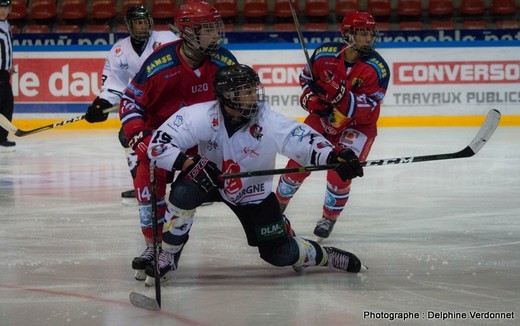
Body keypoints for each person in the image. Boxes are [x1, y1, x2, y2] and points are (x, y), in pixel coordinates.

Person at [145, 64, 365, 285]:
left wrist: (334, 156)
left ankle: (323, 255)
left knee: (279, 254)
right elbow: (157, 146)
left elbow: (300, 139)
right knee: (184, 191)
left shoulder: (267, 121)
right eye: (247, 91)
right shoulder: (203, 115)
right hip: (208, 181)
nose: (254, 96)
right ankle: (169, 254)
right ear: (227, 95)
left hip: (251, 193)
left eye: (254, 89)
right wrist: (188, 164)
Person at [120, 0, 238, 281]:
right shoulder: (159, 63)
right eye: (208, 29)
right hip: (160, 136)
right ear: (188, 33)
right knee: (147, 182)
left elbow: (239, 103)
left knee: (187, 193)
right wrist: (139, 134)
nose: (216, 35)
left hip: (201, 141)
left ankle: (168, 251)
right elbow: (129, 102)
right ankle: (152, 245)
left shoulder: (224, 60)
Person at [275, 12, 390, 240]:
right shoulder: (323, 54)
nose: (368, 39)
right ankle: (277, 206)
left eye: (370, 34)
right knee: (297, 163)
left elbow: (363, 108)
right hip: (322, 120)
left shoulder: (378, 68)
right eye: (362, 34)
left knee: (341, 172)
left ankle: (329, 218)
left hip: (358, 127)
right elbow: (306, 80)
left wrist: (337, 93)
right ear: (347, 34)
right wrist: (311, 101)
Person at [84, 5, 179, 204]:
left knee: (185, 138)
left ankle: (194, 184)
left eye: (144, 22)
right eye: (137, 23)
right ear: (129, 26)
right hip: (145, 104)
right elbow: (113, 85)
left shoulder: (168, 39)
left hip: (174, 100)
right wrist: (102, 103)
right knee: (126, 136)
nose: (142, 27)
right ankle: (143, 185)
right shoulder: (118, 51)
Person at [0, 0, 15, 149]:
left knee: (7, 105)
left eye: (5, 7)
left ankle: (1, 137)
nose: (3, 10)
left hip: (4, 74)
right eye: (0, 7)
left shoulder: (6, 24)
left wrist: (10, 64)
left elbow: (7, 47)